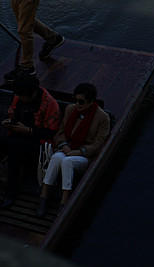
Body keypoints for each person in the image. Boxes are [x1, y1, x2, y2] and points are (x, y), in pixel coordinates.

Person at [35, 83, 110, 217]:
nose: (77, 104)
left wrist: (78, 152)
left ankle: (64, 202)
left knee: (67, 162)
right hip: (67, 148)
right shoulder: (70, 110)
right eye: (75, 100)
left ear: (91, 101)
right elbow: (60, 132)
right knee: (57, 158)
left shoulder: (102, 118)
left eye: (81, 101)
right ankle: (44, 196)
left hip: (84, 155)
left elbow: (98, 144)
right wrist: (65, 146)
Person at [0, 73, 61, 208]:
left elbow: (52, 133)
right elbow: (13, 113)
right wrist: (11, 122)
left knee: (14, 147)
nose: (19, 98)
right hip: (18, 135)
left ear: (31, 94)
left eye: (22, 96)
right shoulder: (19, 97)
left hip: (39, 143)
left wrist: (28, 131)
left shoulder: (49, 104)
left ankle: (10, 192)